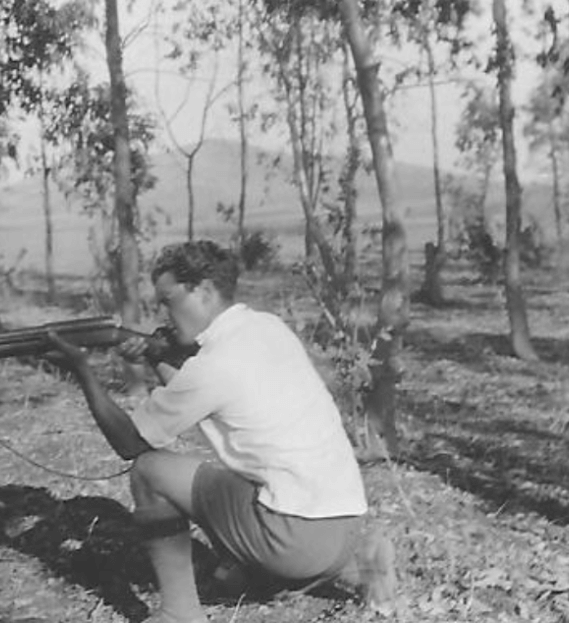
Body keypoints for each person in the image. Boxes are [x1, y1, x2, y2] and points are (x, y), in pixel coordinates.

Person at [46, 240, 395, 623]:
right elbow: (197, 392)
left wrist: (83, 371)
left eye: (167, 300)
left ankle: (181, 615)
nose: (162, 311)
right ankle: (359, 562)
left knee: (150, 471)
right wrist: (152, 354)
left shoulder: (213, 366)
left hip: (293, 539)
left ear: (205, 291)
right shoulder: (266, 326)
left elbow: (130, 444)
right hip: (343, 524)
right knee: (231, 502)